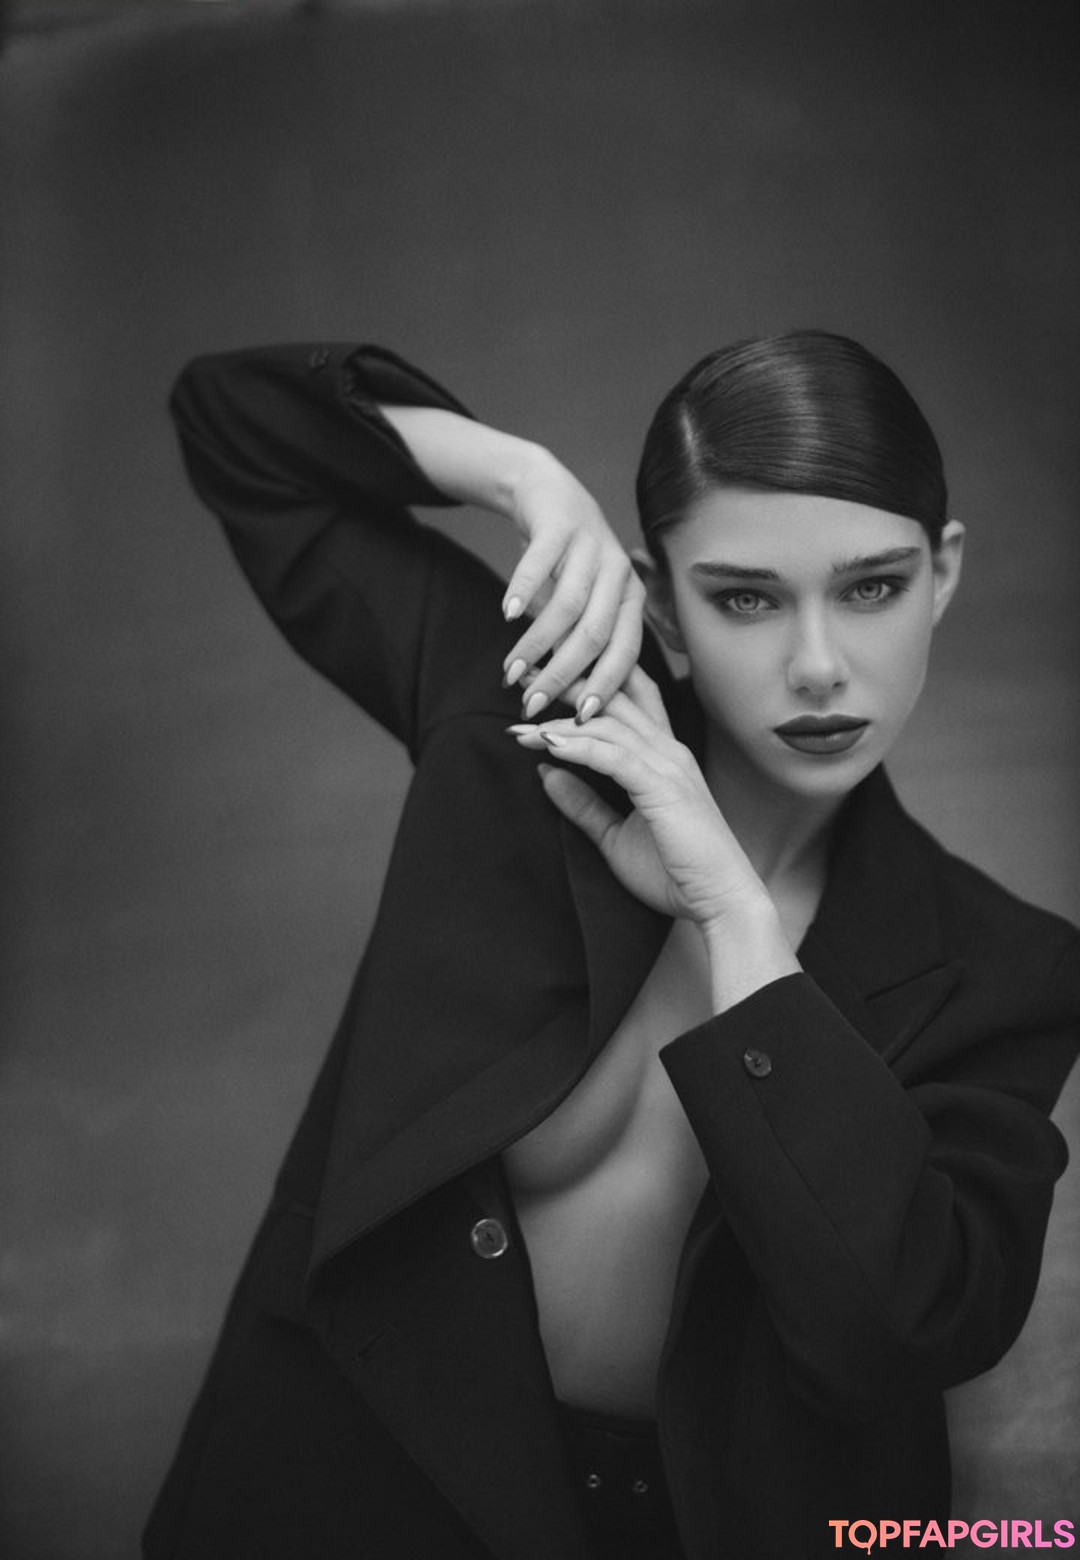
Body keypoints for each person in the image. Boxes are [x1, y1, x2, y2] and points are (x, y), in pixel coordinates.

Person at [145, 332, 1080, 1560]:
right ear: (662, 602)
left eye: (872, 587)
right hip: (341, 1484)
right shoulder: (522, 726)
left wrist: (738, 926)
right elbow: (232, 423)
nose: (819, 667)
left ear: (942, 573)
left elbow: (895, 1334)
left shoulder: (1008, 970)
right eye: (745, 597)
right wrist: (522, 478)